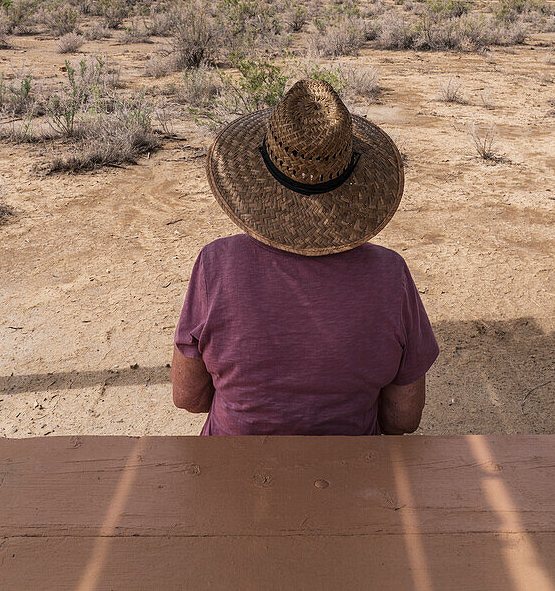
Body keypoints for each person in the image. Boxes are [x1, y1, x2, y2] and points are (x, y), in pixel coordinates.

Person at [172, 78, 439, 435]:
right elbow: (403, 419)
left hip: (235, 472)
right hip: (355, 475)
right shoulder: (391, 275)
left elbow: (188, 397)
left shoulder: (215, 265)